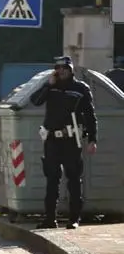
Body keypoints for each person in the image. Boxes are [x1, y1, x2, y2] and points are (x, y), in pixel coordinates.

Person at [29, 56, 98, 230]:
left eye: (65, 68)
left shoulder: (80, 89)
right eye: (58, 68)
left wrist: (92, 139)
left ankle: (74, 219)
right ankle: (50, 218)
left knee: (74, 180)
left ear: (71, 69)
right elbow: (35, 101)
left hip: (71, 140)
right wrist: (48, 85)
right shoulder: (51, 87)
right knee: (52, 180)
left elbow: (90, 116)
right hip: (52, 140)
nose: (61, 71)